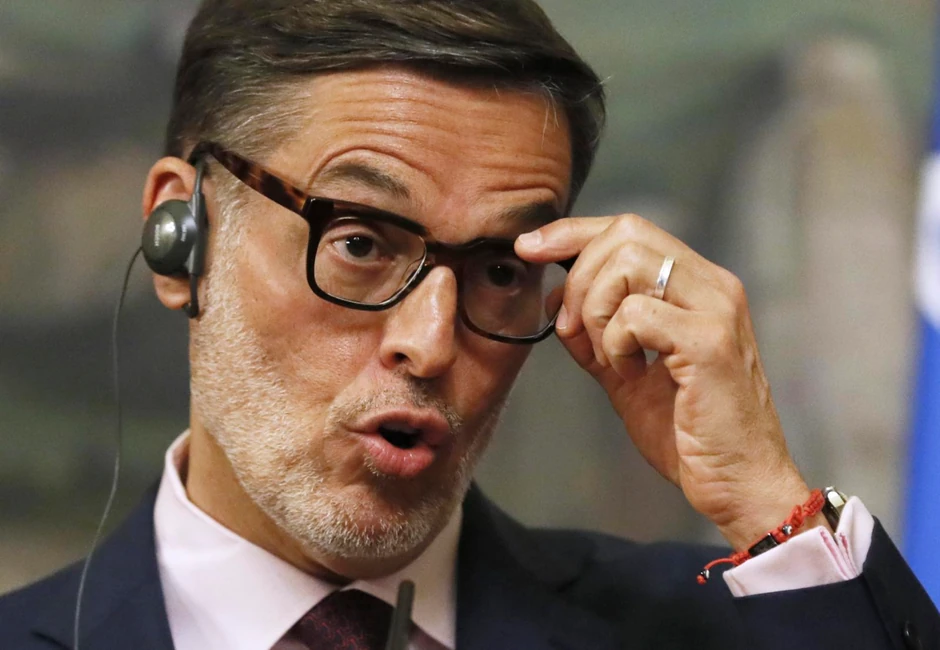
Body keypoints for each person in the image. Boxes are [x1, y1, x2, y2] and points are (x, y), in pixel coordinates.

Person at [2, 1, 937, 648]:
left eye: (498, 271)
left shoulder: (709, 631)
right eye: (360, 242)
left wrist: (768, 501)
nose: (431, 341)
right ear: (182, 237)